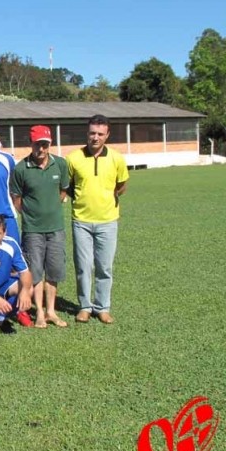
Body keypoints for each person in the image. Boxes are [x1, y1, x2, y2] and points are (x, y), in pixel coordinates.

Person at [66, 114, 129, 324]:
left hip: (108, 221)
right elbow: (68, 186)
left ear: (107, 135)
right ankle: (84, 306)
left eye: (100, 134)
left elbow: (121, 186)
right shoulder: (73, 158)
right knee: (83, 266)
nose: (95, 137)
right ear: (87, 133)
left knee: (104, 267)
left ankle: (102, 307)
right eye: (92, 133)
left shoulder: (117, 158)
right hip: (81, 221)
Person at [9, 125, 70, 328]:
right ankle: (40, 313)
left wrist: (50, 208)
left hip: (56, 228)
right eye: (37, 145)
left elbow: (63, 191)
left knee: (53, 272)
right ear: (31, 144)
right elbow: (16, 198)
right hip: (32, 229)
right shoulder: (20, 169)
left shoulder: (60, 164)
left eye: (45, 145)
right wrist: (30, 214)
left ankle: (52, 311)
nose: (41, 149)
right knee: (35, 272)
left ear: (49, 144)